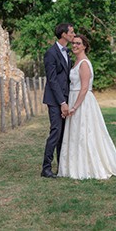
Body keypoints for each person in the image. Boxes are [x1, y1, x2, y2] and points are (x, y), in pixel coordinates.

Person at [57, 34, 116, 180]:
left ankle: (88, 166)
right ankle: (74, 166)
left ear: (84, 46)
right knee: (75, 134)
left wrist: (74, 107)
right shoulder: (75, 62)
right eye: (73, 43)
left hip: (82, 102)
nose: (75, 46)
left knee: (86, 133)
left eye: (78, 43)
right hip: (73, 98)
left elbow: (84, 88)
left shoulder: (84, 63)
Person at [41, 23, 75, 178]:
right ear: (63, 34)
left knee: (63, 135)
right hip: (55, 100)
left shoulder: (67, 52)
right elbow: (53, 80)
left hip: (66, 98)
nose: (73, 35)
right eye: (71, 32)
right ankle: (46, 168)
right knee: (55, 132)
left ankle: (61, 166)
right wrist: (62, 102)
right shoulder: (51, 53)